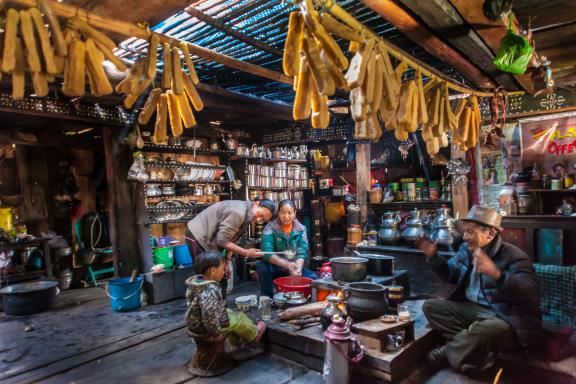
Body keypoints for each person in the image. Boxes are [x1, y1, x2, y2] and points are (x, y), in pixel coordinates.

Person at [417, 205, 541, 377]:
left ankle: (447, 353)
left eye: (470, 232)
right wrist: (433, 257)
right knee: (430, 307)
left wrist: (497, 274)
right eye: (465, 231)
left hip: (501, 315)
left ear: (490, 234)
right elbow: (450, 274)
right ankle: (473, 355)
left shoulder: (514, 256)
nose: (465, 236)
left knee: (490, 329)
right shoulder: (466, 251)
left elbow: (529, 295)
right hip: (471, 309)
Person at [186, 199, 276, 293]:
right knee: (206, 278)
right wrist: (246, 252)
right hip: (198, 236)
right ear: (256, 204)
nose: (258, 219)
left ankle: (218, 304)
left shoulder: (248, 214)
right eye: (260, 215)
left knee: (221, 275)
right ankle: (205, 304)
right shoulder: (238, 213)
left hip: (212, 240)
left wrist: (226, 261)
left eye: (262, 219)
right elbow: (221, 240)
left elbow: (232, 238)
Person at [185, 250, 266, 345]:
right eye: (222, 269)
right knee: (239, 319)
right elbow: (208, 315)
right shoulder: (210, 289)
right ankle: (254, 334)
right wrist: (216, 334)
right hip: (206, 328)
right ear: (212, 270)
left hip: (195, 323)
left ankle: (237, 341)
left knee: (230, 312)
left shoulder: (195, 283)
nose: (224, 272)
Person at [256, 199, 317, 298]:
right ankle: (267, 299)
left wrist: (298, 268)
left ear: (295, 213)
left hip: (292, 268)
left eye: (289, 213)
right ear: (278, 213)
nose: (286, 216)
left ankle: (299, 296)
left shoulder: (301, 229)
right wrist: (286, 264)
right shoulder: (270, 228)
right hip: (275, 267)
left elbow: (302, 251)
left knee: (313, 277)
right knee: (261, 267)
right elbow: (267, 252)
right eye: (282, 213)